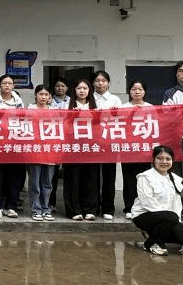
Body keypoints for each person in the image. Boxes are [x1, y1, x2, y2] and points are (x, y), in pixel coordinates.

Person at [130, 145, 183, 256]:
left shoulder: (175, 179)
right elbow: (147, 202)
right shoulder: (144, 177)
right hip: (144, 216)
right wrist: (168, 216)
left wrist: (175, 221)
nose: (164, 162)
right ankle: (152, 244)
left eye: (168, 159)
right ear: (154, 160)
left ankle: (154, 237)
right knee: (170, 216)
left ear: (172, 161)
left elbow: (176, 204)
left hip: (168, 218)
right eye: (160, 158)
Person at [0, 74, 25, 219]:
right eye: (4, 83)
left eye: (10, 83)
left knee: (14, 176)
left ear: (13, 86)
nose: (7, 85)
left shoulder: (18, 101)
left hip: (14, 142)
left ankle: (11, 206)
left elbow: (21, 119)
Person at [64, 80, 99, 221]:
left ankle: (90, 210)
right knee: (73, 180)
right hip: (72, 148)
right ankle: (74, 210)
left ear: (89, 90)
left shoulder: (96, 107)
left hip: (91, 148)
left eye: (85, 88)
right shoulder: (67, 106)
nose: (82, 91)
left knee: (91, 180)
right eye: (79, 88)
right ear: (74, 90)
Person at [121, 79, 153, 220]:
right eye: (134, 89)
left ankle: (142, 207)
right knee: (128, 179)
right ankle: (129, 207)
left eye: (140, 89)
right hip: (128, 149)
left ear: (144, 91)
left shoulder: (151, 107)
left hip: (144, 150)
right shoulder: (123, 107)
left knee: (144, 179)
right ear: (129, 91)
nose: (137, 92)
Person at [92, 70, 122, 220]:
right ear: (93, 83)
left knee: (109, 176)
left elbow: (122, 119)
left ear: (108, 83)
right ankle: (93, 207)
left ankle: (108, 208)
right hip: (91, 143)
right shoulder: (88, 98)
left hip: (109, 142)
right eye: (97, 80)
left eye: (103, 80)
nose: (100, 83)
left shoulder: (115, 99)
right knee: (93, 176)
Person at [28, 84, 56, 221]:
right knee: (35, 183)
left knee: (47, 183)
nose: (43, 97)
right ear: (35, 95)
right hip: (34, 151)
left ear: (49, 96)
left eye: (46, 94)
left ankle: (46, 208)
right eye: (41, 94)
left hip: (50, 151)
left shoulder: (55, 112)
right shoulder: (29, 110)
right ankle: (36, 209)